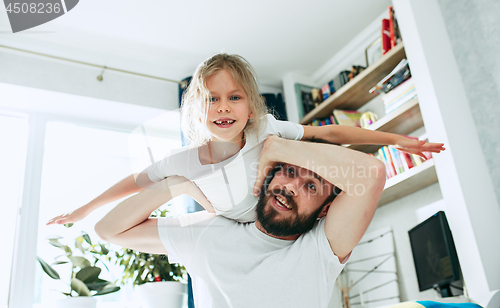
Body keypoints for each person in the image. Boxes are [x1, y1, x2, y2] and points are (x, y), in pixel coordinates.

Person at [48, 53, 444, 225]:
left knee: (286, 150)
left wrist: (395, 139)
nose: (223, 108)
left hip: (268, 213)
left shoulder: (264, 130)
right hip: (223, 214)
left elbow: (330, 133)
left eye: (234, 97)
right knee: (177, 184)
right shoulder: (185, 158)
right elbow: (134, 182)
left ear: (250, 107)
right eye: (212, 99)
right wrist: (85, 209)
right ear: (197, 110)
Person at [94, 135, 387, 308]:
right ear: (268, 173)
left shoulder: (322, 248)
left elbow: (372, 173)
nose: (292, 188)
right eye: (289, 172)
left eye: (312, 187)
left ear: (325, 209)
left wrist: (276, 146)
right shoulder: (207, 232)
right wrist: (175, 185)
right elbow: (109, 229)